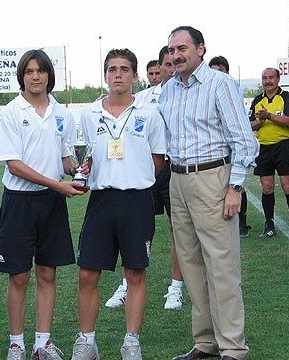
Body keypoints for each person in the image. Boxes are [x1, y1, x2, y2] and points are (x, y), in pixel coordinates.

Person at [159, 25, 258, 360]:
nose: (176, 55)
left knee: (221, 265)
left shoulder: (220, 84)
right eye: (171, 50)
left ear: (201, 49)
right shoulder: (169, 90)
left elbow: (245, 141)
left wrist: (235, 187)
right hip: (178, 180)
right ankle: (206, 343)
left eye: (182, 48)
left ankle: (233, 346)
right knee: (191, 264)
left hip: (213, 178)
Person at [72, 48, 166, 360]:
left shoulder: (149, 113)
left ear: (135, 76)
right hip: (101, 200)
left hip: (137, 201)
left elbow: (157, 160)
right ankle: (87, 341)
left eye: (125, 69)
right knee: (87, 273)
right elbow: (88, 157)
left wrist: (132, 174)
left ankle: (131, 342)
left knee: (135, 273)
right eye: (112, 69)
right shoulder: (90, 114)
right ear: (105, 75)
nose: (118, 75)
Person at [0, 49, 86, 360]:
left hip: (51, 203)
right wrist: (57, 183)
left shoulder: (62, 114)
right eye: (29, 71)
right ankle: (16, 344)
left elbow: (65, 158)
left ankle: (41, 344)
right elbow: (14, 165)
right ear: (22, 76)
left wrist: (79, 169)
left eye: (41, 71)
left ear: (49, 75)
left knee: (48, 274)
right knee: (18, 275)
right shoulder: (10, 112)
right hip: (19, 202)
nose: (35, 76)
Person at [105, 45, 185, 311]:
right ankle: (127, 284)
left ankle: (176, 288)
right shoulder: (144, 98)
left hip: (175, 169)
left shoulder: (187, 94)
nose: (170, 69)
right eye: (166, 65)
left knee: (177, 229)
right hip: (145, 170)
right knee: (133, 229)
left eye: (174, 65)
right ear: (159, 68)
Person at [250, 67, 289, 238]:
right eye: (264, 78)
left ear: (278, 79)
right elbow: (250, 125)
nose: (268, 81)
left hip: (283, 146)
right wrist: (261, 120)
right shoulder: (257, 100)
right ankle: (269, 224)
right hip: (264, 147)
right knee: (266, 187)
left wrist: (269, 116)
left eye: (271, 77)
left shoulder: (286, 97)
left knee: (288, 186)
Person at [208, 55, 251, 238]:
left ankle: (242, 222)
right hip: (217, 152)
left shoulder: (228, 86)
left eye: (220, 70)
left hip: (230, 149)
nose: (216, 74)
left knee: (236, 186)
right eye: (213, 71)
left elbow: (242, 133)